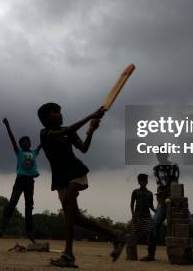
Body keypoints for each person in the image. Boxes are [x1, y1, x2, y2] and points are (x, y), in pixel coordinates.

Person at [38, 102, 126, 268]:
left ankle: (68, 255)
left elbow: (83, 148)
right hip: (60, 180)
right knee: (75, 218)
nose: (60, 114)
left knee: (70, 208)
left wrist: (91, 132)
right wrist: (91, 116)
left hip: (76, 173)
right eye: (55, 112)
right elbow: (66, 131)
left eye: (60, 111)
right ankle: (115, 235)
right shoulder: (45, 134)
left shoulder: (68, 132)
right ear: (45, 119)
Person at [0, 117, 41, 242]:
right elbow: (12, 139)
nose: (28, 142)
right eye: (25, 141)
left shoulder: (34, 152)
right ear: (21, 144)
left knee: (29, 207)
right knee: (12, 204)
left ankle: (29, 232)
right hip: (20, 180)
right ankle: (2, 229)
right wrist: (7, 126)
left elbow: (42, 144)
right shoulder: (19, 152)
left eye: (29, 141)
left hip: (29, 182)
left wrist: (48, 131)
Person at [141, 152, 178, 262]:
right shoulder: (156, 169)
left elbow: (174, 184)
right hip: (163, 200)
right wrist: (160, 194)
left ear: (166, 155)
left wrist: (164, 192)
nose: (159, 157)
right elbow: (159, 185)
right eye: (158, 155)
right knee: (154, 226)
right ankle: (150, 254)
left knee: (190, 224)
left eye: (162, 155)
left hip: (175, 199)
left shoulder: (174, 167)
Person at [127, 173, 155, 260]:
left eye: (144, 180)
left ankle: (151, 255)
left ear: (147, 182)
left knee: (150, 235)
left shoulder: (150, 193)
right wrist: (133, 214)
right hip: (137, 216)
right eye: (141, 180)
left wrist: (155, 211)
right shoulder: (135, 192)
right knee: (134, 235)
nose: (143, 182)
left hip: (147, 217)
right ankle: (131, 255)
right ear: (138, 182)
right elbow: (132, 204)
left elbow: (151, 206)